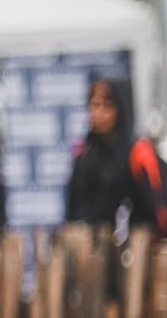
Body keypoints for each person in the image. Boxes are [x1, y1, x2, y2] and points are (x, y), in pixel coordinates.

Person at [65, 77, 155, 231]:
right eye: (93, 105)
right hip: (88, 239)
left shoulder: (137, 154)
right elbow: (73, 210)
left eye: (106, 105)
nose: (98, 113)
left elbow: (150, 210)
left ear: (120, 107)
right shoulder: (83, 154)